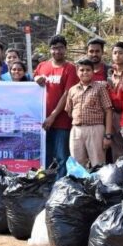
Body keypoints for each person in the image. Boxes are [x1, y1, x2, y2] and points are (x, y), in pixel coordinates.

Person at [35, 35, 79, 177]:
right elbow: (33, 81)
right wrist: (36, 79)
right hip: (42, 121)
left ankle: (59, 187)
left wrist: (53, 116)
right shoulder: (42, 66)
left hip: (61, 121)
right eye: (54, 48)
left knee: (61, 157)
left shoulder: (70, 68)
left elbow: (67, 94)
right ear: (50, 50)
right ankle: (44, 186)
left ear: (65, 49)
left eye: (60, 48)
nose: (57, 51)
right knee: (44, 156)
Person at [65, 58, 113, 168]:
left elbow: (108, 110)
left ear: (93, 72)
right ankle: (79, 185)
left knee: (98, 164)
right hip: (76, 130)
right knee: (77, 165)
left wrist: (108, 135)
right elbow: (69, 111)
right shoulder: (72, 90)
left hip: (95, 129)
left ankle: (98, 185)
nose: (85, 72)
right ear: (77, 72)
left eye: (88, 70)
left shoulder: (100, 88)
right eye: (82, 70)